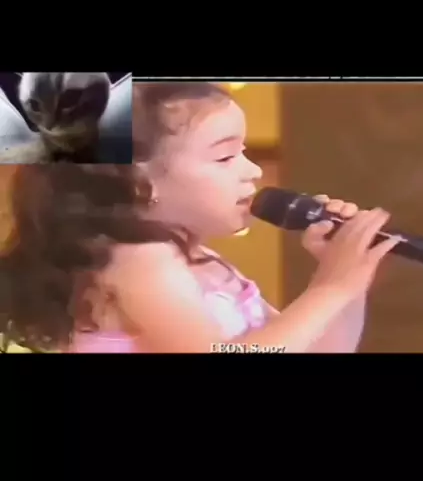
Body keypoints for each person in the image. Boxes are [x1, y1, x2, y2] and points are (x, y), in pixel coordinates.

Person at [0, 82, 400, 353]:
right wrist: (330, 289)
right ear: (139, 182)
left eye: (244, 152)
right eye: (225, 157)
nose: (253, 171)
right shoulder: (139, 260)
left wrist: (346, 281)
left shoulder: (200, 261)